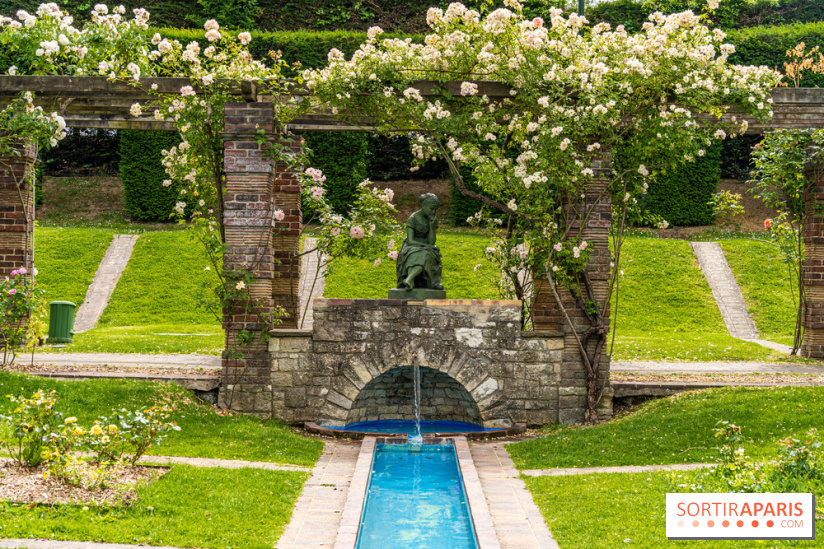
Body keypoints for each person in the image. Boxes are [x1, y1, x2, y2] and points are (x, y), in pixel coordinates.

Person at [396, 193, 444, 291]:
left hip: (426, 247)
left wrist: (432, 226)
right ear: (423, 206)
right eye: (431, 209)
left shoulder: (432, 219)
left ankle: (410, 280)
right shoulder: (413, 218)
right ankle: (410, 280)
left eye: (435, 209)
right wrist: (426, 246)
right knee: (415, 254)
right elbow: (410, 240)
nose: (434, 212)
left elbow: (431, 242)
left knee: (426, 254)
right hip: (412, 245)